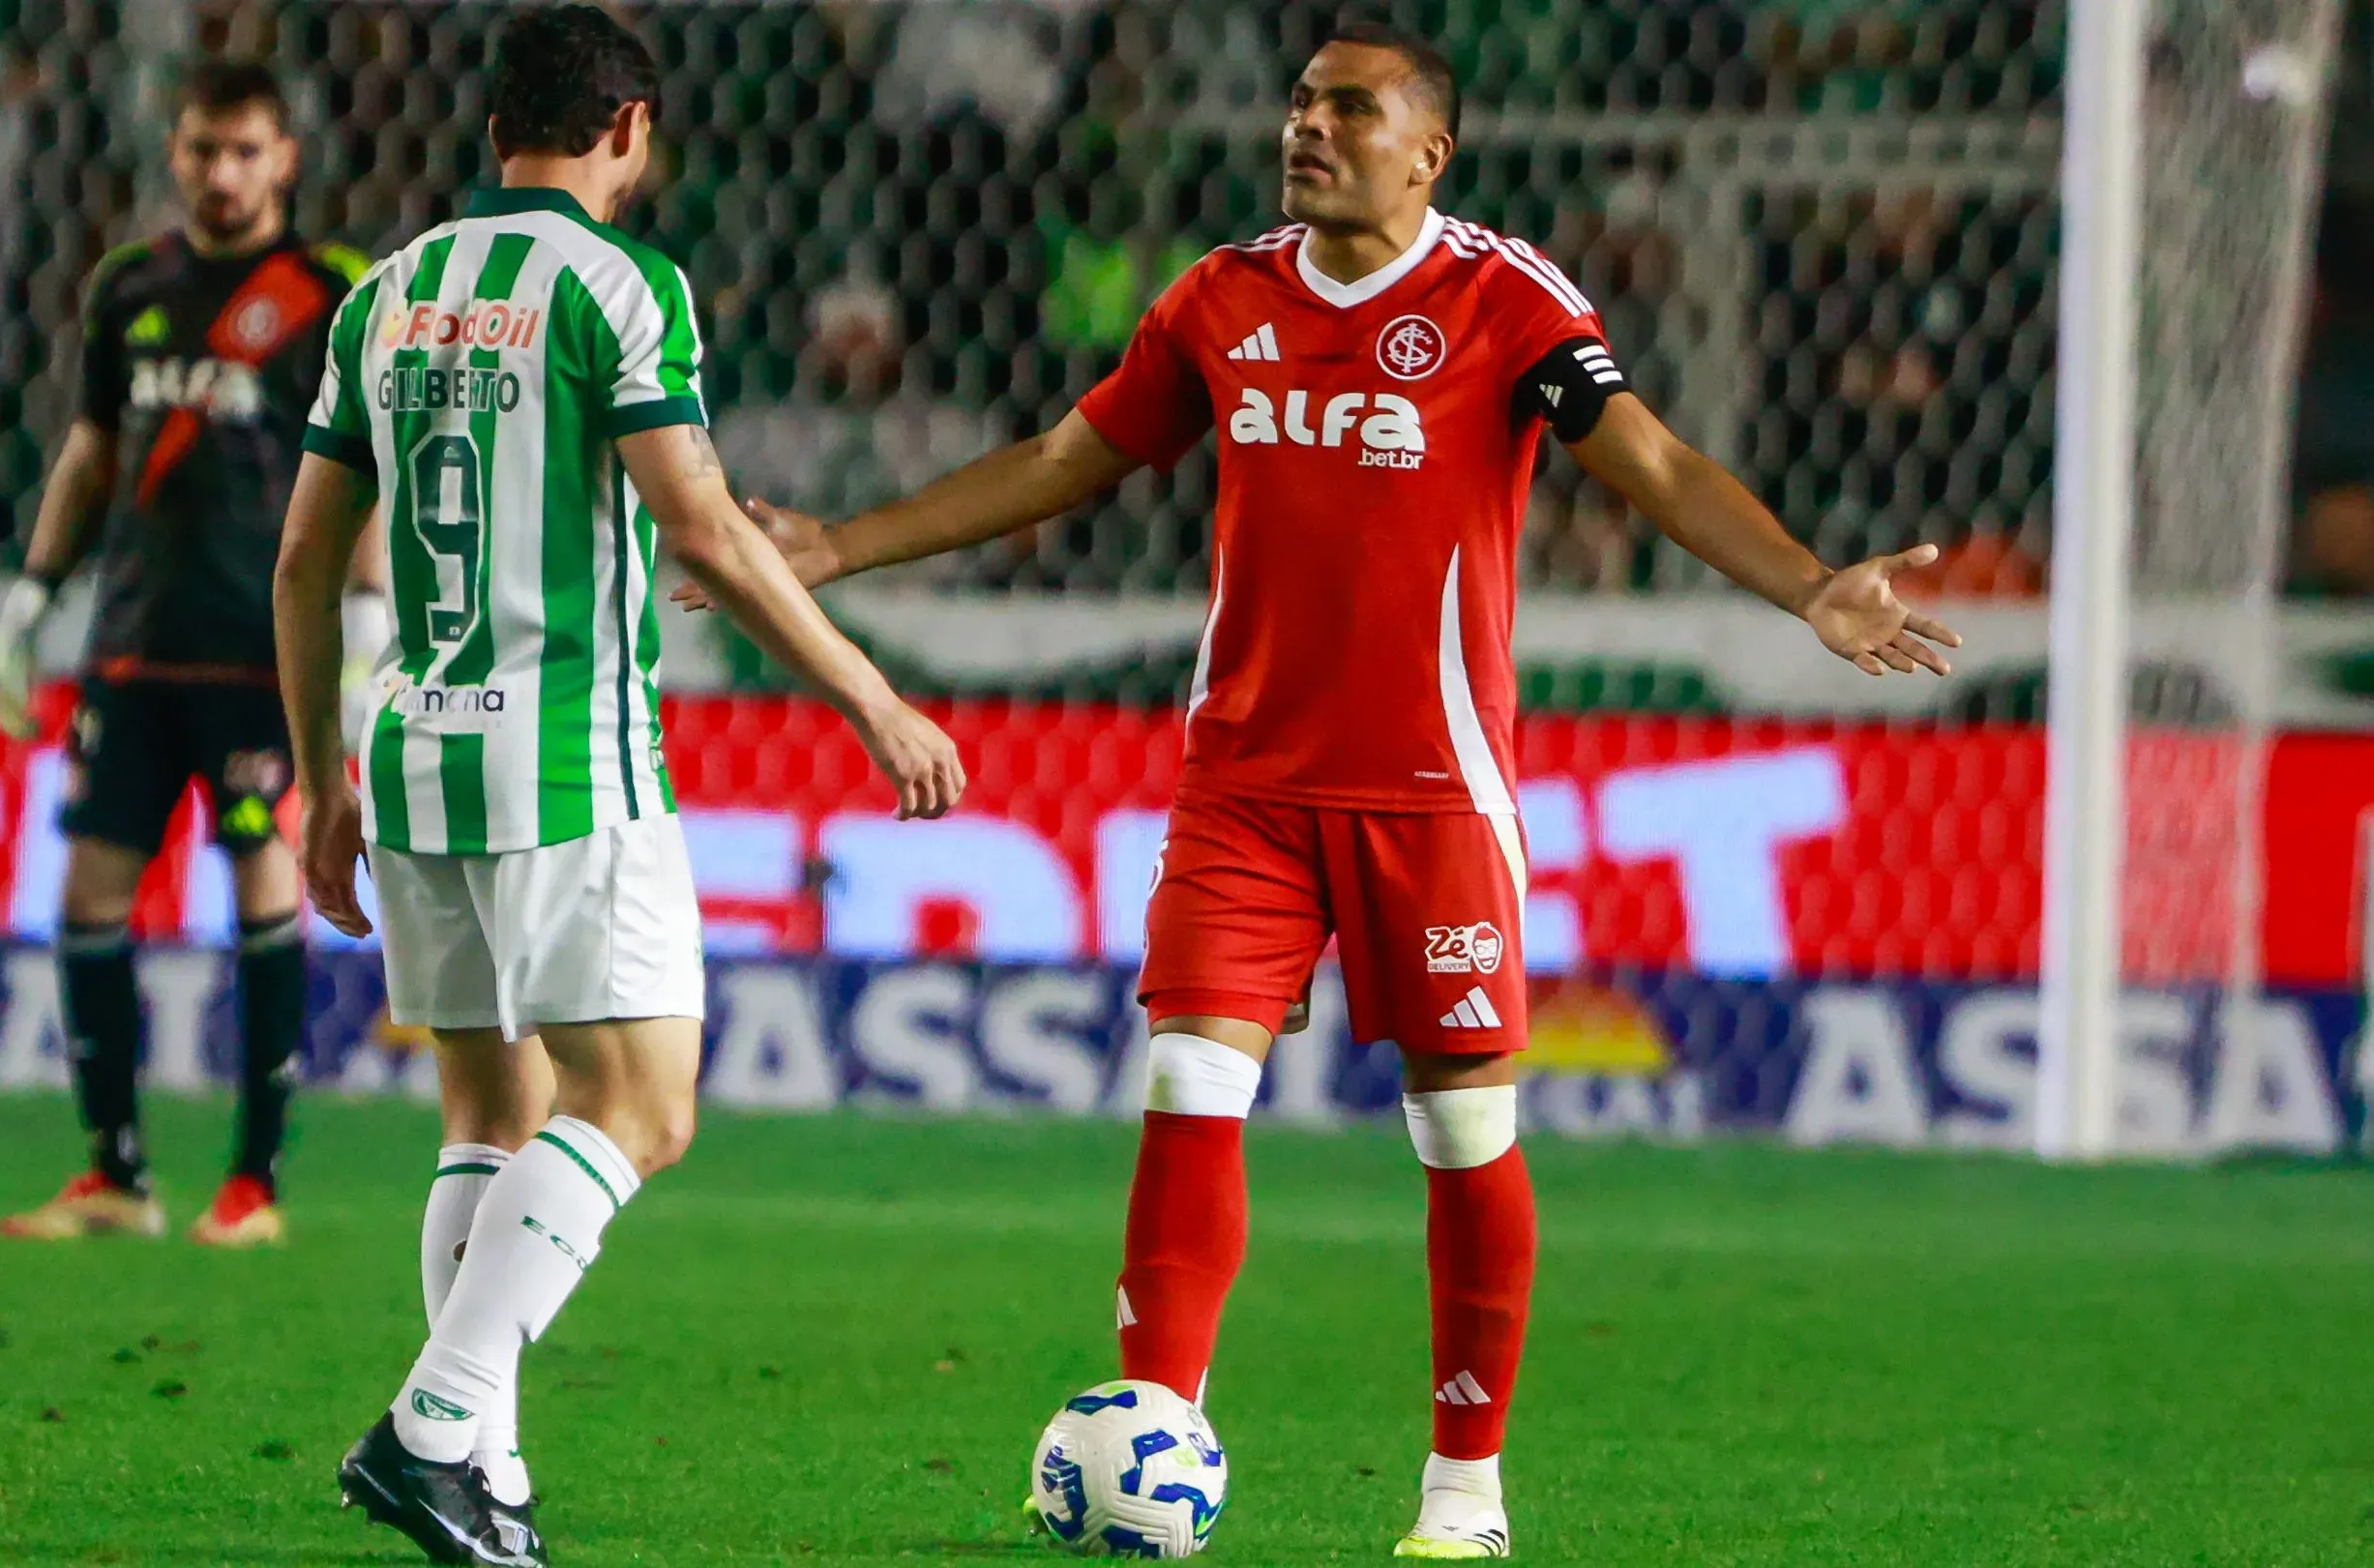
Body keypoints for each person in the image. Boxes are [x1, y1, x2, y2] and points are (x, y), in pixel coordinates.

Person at [684, 22, 1960, 1559]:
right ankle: (1154, 1445)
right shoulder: (1224, 296)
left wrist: (1811, 585)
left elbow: (1661, 466)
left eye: (1348, 109)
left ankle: (1461, 1496)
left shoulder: (1503, 299)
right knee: (1186, 1088)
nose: (1308, 127)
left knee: (1461, 1136)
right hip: (1245, 788)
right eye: (1300, 102)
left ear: (1427, 152)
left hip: (1434, 794)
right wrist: (843, 546)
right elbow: (1060, 457)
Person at [266, 9, 963, 1563]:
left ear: (495, 125)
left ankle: (484, 1474)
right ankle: (436, 1420)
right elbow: (704, 530)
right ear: (631, 129)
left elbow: (309, 556)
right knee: (641, 1106)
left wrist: (323, 778)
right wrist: (867, 692)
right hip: (569, 750)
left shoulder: (385, 297)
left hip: (413, 744)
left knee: (489, 1110)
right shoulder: (617, 286)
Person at [0, 62, 381, 1249]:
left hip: (264, 654)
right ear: (176, 154)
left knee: (264, 888)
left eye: (245, 151)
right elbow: (92, 449)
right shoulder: (130, 287)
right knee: (88, 894)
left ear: (286, 159)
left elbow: (364, 472)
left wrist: (365, 627)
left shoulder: (330, 292)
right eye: (203, 150)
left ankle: (253, 1183)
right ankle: (114, 1173)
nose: (222, 173)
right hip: (134, 647)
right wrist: (31, 601)